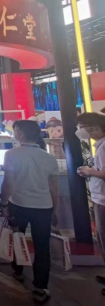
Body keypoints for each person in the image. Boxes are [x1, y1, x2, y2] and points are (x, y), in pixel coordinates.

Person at [1, 120, 59, 304]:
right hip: (44, 206)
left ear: (20, 133)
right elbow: (53, 187)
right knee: (42, 247)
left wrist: (3, 203)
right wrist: (54, 209)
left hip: (18, 204)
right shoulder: (48, 157)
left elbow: (8, 182)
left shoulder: (11, 154)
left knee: (17, 239)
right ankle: (40, 287)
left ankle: (17, 271)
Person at [76, 113, 105, 295]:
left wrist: (89, 171)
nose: (80, 131)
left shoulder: (103, 147)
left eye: (82, 127)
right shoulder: (100, 145)